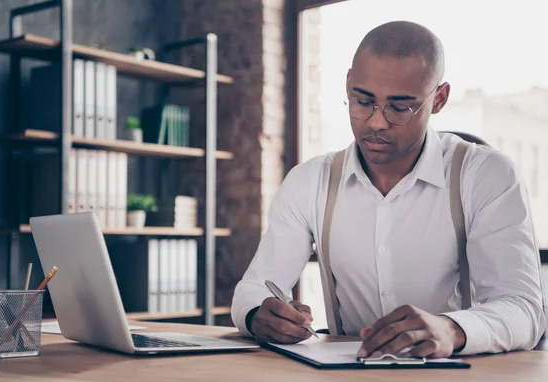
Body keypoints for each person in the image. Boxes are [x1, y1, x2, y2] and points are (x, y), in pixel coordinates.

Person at [231, 21, 546, 358]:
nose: (376, 123)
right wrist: (258, 315)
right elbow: (253, 288)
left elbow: (524, 309)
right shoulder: (309, 181)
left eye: (400, 107)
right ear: (349, 83)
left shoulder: (486, 176)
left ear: (439, 99)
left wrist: (451, 329)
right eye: (362, 101)